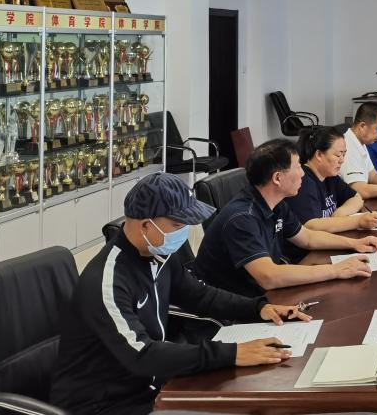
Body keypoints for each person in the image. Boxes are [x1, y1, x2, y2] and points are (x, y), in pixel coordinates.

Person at [51, 173, 307, 415]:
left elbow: (200, 296)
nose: (184, 231)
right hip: (103, 405)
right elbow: (143, 354)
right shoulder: (107, 281)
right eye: (177, 224)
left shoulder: (159, 254)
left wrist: (258, 308)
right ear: (146, 225)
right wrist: (232, 354)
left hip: (151, 386)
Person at [193, 139, 377, 297]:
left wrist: (354, 244)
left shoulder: (276, 203)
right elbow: (269, 277)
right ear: (277, 178)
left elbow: (307, 238)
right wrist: (336, 270)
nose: (303, 173)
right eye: (298, 167)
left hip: (261, 296)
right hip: (234, 308)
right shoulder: (242, 218)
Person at [284, 126, 377, 261]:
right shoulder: (303, 182)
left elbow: (356, 198)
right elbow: (312, 226)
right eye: (338, 155)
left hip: (325, 246)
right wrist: (357, 221)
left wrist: (340, 213)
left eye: (344, 154)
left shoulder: (330, 176)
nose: (342, 160)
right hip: (306, 255)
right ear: (319, 155)